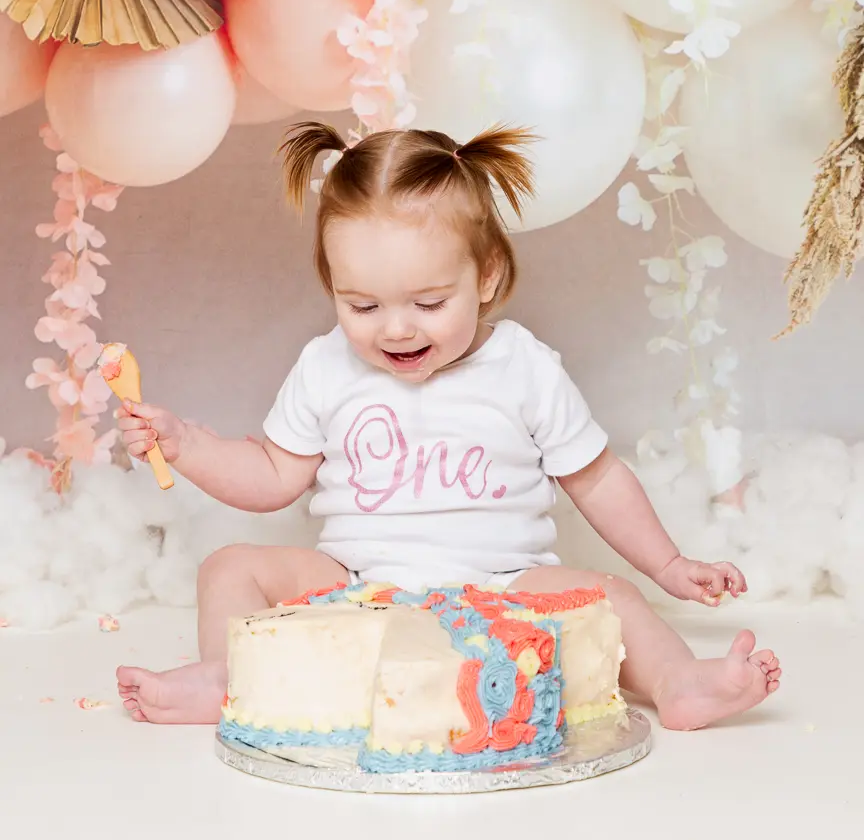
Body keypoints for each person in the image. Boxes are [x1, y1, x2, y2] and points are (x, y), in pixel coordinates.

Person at [116, 123, 781, 728]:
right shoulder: (325, 366)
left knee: (610, 596)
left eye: (429, 302)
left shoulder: (523, 366)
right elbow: (270, 475)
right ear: (333, 285)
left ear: (486, 275)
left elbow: (598, 477)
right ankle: (229, 677)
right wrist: (189, 445)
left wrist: (667, 563)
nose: (397, 327)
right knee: (229, 566)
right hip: (353, 583)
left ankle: (678, 681)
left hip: (504, 585)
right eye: (363, 304)